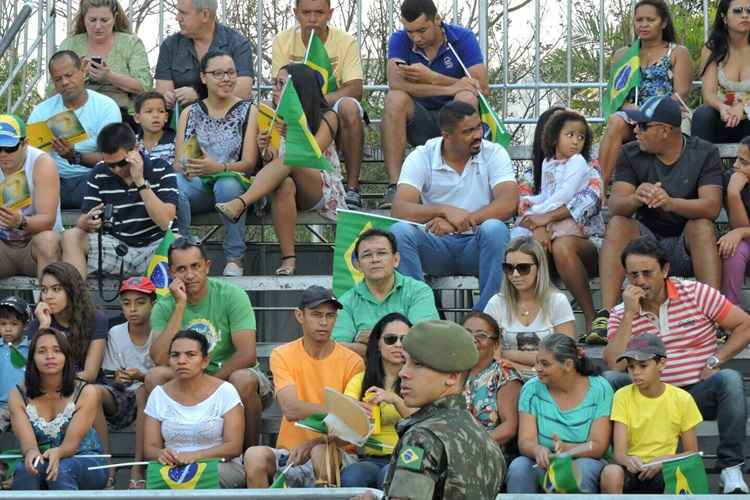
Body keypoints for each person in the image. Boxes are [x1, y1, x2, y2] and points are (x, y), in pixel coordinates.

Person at [604, 236, 750, 493]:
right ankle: (615, 459)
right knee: (610, 381)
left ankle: (731, 468)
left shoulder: (697, 293)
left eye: (647, 273)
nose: (640, 281)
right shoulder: (620, 312)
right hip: (645, 395)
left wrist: (717, 359)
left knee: (729, 379)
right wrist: (629, 314)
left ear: (666, 270)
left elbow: (744, 325)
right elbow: (614, 364)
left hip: (695, 392)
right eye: (633, 274)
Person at [594, 94, 723, 338]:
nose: (635, 131)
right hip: (646, 246)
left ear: (664, 130)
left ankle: (712, 315)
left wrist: (670, 202)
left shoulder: (703, 152)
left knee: (702, 225)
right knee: (619, 223)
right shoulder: (630, 152)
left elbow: (712, 207)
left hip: (685, 244)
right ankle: (607, 315)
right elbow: (615, 205)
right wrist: (636, 197)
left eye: (643, 126)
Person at [214, 64, 347, 276]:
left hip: (320, 186)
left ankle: (241, 203)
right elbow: (274, 165)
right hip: (290, 187)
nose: (274, 88)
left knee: (291, 159)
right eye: (274, 83)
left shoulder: (327, 116)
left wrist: (293, 133)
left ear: (298, 89)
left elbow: (312, 154)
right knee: (284, 184)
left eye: (280, 84)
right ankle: (288, 259)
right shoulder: (273, 116)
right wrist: (265, 150)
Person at [390, 100, 518, 311]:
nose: (478, 135)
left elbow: (508, 203)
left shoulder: (494, 152)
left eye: (478, 127)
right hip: (436, 245)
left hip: (478, 245)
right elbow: (400, 209)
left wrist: (460, 223)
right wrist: (444, 211)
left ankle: (486, 318)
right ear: (447, 136)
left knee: (495, 229)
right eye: (468, 131)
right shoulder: (422, 156)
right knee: (399, 232)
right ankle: (423, 315)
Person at [146, 238, 271, 449]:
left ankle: (247, 459)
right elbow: (159, 358)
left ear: (207, 266)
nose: (190, 275)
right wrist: (180, 306)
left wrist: (210, 386)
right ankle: (162, 459)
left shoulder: (232, 295)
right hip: (186, 380)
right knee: (155, 376)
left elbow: (247, 355)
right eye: (181, 269)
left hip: (229, 378)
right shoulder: (165, 305)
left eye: (196, 266)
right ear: (171, 272)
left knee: (243, 380)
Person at [244, 286, 363, 488]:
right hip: (291, 453)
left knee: (320, 453)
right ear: (300, 316)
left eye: (330, 316)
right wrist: (340, 409)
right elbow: (291, 409)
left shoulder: (353, 361)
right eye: (316, 315)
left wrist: (314, 443)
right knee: (254, 455)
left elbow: (350, 425)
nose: (324, 322)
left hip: (336, 452)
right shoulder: (283, 354)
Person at [379, 0, 489, 208]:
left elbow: (481, 87)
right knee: (395, 99)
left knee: (466, 97)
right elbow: (396, 83)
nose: (416, 38)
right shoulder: (399, 40)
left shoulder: (462, 37)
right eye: (410, 32)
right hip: (418, 119)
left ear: (437, 19)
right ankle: (396, 185)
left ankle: (466, 180)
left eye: (421, 30)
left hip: (452, 121)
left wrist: (433, 77)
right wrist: (450, 88)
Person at [379, 320, 504, 499]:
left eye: (418, 364)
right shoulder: (482, 435)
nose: (403, 373)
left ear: (452, 377)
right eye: (405, 362)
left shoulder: (422, 436)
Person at [517, 107, 605, 341]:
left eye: (579, 136)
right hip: (544, 238)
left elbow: (589, 200)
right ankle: (532, 325)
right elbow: (524, 201)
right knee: (525, 250)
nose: (575, 140)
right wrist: (539, 227)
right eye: (569, 134)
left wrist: (545, 219)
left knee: (562, 246)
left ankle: (591, 318)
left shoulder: (585, 165)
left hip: (584, 242)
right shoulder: (538, 167)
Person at [271, 0, 366, 209]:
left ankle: (352, 189)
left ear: (330, 13)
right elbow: (278, 82)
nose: (313, 19)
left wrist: (315, 102)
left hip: (330, 108)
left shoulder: (345, 41)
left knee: (349, 106)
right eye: (306, 12)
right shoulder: (283, 40)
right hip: (295, 106)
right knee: (263, 110)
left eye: (319, 13)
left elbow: (355, 89)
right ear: (296, 13)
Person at [173, 51, 254, 276]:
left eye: (230, 73)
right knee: (174, 184)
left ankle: (234, 258)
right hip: (198, 183)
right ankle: (186, 250)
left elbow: (249, 164)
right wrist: (190, 167)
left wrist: (218, 168)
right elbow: (179, 162)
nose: (226, 79)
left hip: (232, 182)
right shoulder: (189, 112)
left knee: (227, 185)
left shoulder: (248, 110)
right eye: (218, 73)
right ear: (203, 77)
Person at [62, 122, 178, 280]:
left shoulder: (162, 168)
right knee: (71, 236)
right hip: (117, 247)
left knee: (178, 245)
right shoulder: (98, 173)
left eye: (122, 163)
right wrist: (86, 222)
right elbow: (82, 220)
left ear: (135, 148)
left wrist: (140, 182)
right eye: (111, 165)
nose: (117, 169)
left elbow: (166, 222)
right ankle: (77, 302)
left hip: (155, 248)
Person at [597, 0, 692, 188]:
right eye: (639, 19)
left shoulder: (677, 52)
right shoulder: (624, 54)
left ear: (663, 23)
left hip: (663, 113)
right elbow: (614, 95)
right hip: (632, 113)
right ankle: (599, 189)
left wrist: (649, 111)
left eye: (650, 19)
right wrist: (627, 107)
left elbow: (681, 93)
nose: (644, 24)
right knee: (616, 121)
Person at [507, 333, 613, 493]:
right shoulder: (531, 389)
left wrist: (566, 448)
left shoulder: (600, 388)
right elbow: (526, 440)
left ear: (568, 365)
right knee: (519, 467)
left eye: (545, 364)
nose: (538, 368)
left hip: (585, 459)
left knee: (580, 471)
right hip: (544, 462)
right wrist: (537, 450)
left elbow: (598, 446)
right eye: (536, 362)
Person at [600, 334, 702, 494]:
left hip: (664, 469)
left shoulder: (682, 399)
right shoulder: (622, 396)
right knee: (611, 472)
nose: (635, 372)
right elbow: (619, 453)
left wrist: (664, 461)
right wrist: (628, 460)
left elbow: (692, 453)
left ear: (661, 364)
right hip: (632, 470)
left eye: (643, 365)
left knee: (680, 472)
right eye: (631, 367)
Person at [143, 329, 246, 488]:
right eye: (175, 355)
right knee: (161, 475)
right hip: (173, 468)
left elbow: (234, 447)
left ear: (205, 361)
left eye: (190, 355)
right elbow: (150, 447)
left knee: (192, 478)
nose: (181, 361)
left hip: (217, 466)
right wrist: (161, 454)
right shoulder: (158, 395)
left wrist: (196, 456)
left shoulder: (225, 391)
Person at [9, 329, 107, 490]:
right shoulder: (17, 394)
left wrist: (59, 452)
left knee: (61, 469)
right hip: (45, 459)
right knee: (25, 470)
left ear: (66, 357)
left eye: (57, 350)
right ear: (32, 358)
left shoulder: (86, 392)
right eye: (42, 351)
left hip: (86, 460)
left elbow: (70, 446)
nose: (49, 356)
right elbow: (29, 445)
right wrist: (32, 453)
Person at [27, 50, 122, 209]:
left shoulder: (106, 106)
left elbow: (113, 158)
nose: (64, 82)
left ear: (82, 71)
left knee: (112, 174)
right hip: (52, 180)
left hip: (92, 177)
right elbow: (28, 154)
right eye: (58, 79)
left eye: (69, 75)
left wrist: (75, 156)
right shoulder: (41, 111)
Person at [332, 228, 439, 356]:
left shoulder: (419, 291)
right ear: (358, 265)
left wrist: (373, 338)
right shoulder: (346, 301)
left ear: (396, 260)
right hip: (363, 374)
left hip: (411, 371)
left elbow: (423, 339)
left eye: (382, 253)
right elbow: (338, 349)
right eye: (367, 255)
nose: (375, 259)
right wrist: (397, 341)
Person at [483, 237, 575, 379]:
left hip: (551, 382)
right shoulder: (496, 303)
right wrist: (536, 366)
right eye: (508, 268)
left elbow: (566, 356)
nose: (515, 274)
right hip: (506, 381)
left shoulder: (557, 301)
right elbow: (492, 358)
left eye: (523, 268)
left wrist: (510, 355)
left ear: (539, 268)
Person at [341, 313, 415, 489]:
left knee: (388, 476)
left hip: (409, 456)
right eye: (390, 339)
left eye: (404, 339)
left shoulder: (420, 379)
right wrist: (352, 410)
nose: (398, 344)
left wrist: (395, 400)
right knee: (352, 477)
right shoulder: (360, 380)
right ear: (378, 345)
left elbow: (423, 420)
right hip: (370, 458)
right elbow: (341, 422)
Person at [97, 277, 157, 489]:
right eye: (126, 303)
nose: (132, 309)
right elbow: (110, 374)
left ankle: (137, 468)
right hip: (122, 397)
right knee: (93, 393)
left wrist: (142, 377)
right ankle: (107, 465)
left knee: (143, 392)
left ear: (153, 304)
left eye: (140, 302)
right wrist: (118, 379)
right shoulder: (116, 333)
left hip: (151, 399)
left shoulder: (159, 332)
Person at [58, 0, 152, 118]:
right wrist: (78, 76)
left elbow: (145, 87)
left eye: (104, 20)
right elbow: (53, 89)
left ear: (115, 18)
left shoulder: (131, 43)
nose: (98, 26)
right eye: (92, 20)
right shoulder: (70, 45)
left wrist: (109, 76)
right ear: (83, 18)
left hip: (122, 116)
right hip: (77, 115)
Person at [154, 0, 253, 107]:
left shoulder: (238, 44)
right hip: (183, 120)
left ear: (205, 15)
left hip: (229, 120)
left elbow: (242, 92)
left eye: (183, 13)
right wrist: (169, 98)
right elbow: (162, 94)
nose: (177, 18)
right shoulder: (170, 46)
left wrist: (199, 96)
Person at [0, 115, 62, 279]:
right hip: (3, 248)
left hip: (33, 248)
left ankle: (49, 304)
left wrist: (19, 222)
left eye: (10, 148)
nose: (3, 154)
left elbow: (48, 221)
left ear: (25, 143)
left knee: (48, 241)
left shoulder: (42, 163)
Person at [28, 262, 108, 383]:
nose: (48, 296)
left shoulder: (96, 319)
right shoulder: (38, 324)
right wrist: (44, 327)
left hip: (88, 387)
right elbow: (35, 371)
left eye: (56, 289)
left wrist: (57, 383)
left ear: (72, 291)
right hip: (50, 388)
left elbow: (90, 374)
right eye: (44, 290)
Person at [462, 312, 522, 456]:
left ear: (495, 345)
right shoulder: (449, 370)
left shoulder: (504, 374)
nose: (473, 340)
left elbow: (509, 427)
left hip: (487, 452)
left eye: (481, 335)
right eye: (466, 333)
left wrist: (469, 446)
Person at [693, 0, 750, 143]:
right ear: (724, 17)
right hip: (722, 116)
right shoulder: (712, 48)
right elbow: (708, 94)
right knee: (702, 115)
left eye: (749, 11)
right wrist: (723, 108)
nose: (745, 15)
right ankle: (703, 165)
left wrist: (743, 107)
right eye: (738, 11)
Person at [721, 136, 750, 306]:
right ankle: (731, 311)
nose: (735, 165)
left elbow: (741, 231)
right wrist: (733, 193)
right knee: (733, 247)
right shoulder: (732, 179)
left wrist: (740, 232)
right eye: (737, 158)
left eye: (743, 162)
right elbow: (742, 231)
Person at [0, 296, 31, 434]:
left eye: (14, 324)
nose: (7, 328)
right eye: (3, 323)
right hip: (2, 406)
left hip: (27, 404)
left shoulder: (32, 348)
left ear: (25, 325)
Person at [133, 91, 176, 165]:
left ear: (166, 117)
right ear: (137, 118)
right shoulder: (132, 142)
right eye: (149, 111)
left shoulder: (176, 142)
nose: (156, 115)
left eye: (161, 111)